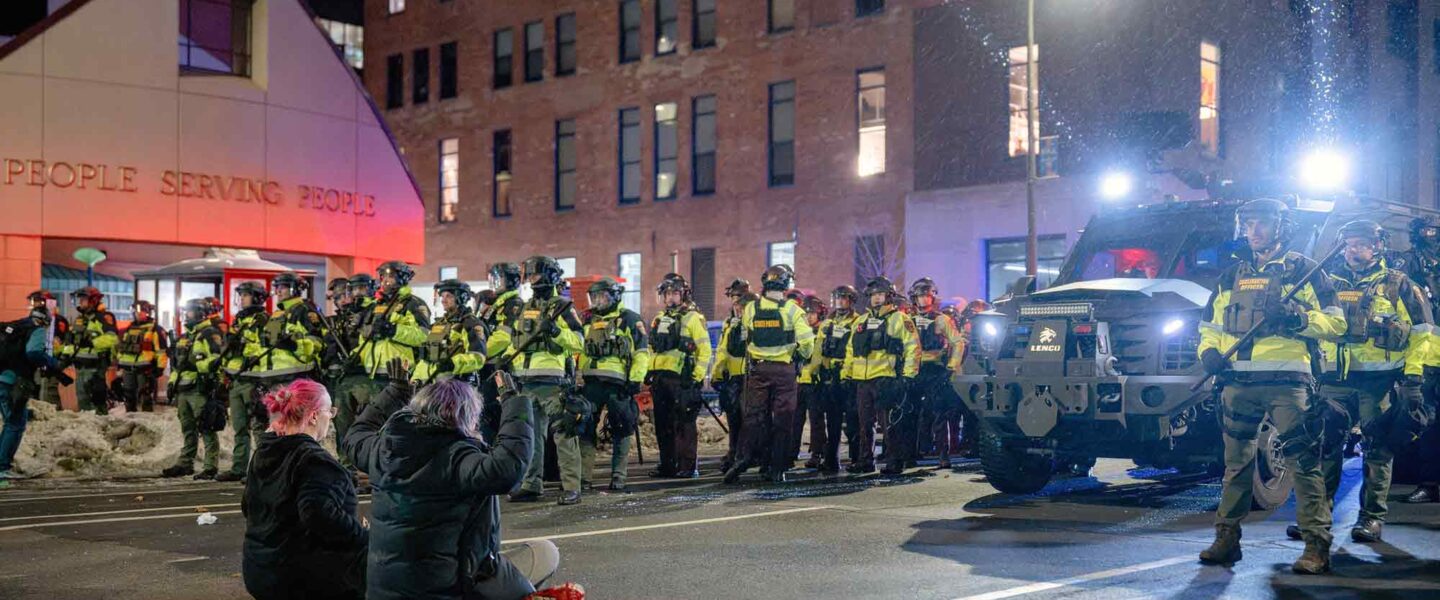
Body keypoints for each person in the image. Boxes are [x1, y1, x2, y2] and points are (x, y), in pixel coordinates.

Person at [1196, 198, 1345, 574]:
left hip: (1288, 383)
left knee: (1303, 463)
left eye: (1262, 223)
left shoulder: (1306, 272)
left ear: (1280, 227)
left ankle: (1316, 546)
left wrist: (1297, 318)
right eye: (1248, 224)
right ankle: (1226, 539)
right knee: (1236, 464)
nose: (1254, 230)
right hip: (1238, 381)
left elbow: (1336, 324)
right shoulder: (1231, 275)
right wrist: (1209, 353)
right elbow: (1209, 327)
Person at [343, 359, 556, 600]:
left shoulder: (384, 450)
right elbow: (508, 467)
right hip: (444, 591)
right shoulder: (457, 457)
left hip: (382, 591)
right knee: (545, 554)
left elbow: (355, 435)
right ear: (466, 416)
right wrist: (513, 402)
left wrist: (395, 392)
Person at [1282, 219, 1436, 544]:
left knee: (1377, 450)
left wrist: (1413, 376)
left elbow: (1424, 335)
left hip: (1378, 383)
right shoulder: (1327, 283)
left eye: (1361, 244)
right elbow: (1313, 324)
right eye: (1349, 243)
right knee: (1324, 446)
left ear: (1377, 246)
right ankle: (1317, 518)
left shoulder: (1399, 284)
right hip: (1333, 380)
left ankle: (1371, 519)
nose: (1354, 249)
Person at [241, 379, 366, 600]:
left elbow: (247, 506)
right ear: (315, 416)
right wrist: (363, 534)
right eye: (330, 411)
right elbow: (319, 515)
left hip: (260, 568)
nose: (331, 417)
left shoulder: (264, 452)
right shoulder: (314, 460)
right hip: (302, 577)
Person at [506, 256, 587, 505]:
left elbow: (579, 342)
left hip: (554, 380)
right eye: (529, 274)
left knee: (563, 434)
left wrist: (555, 331)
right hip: (526, 380)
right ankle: (532, 484)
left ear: (549, 276)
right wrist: (507, 360)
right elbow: (516, 341)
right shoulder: (525, 307)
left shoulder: (561, 306)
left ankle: (572, 486)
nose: (532, 279)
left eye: (536, 274)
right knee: (532, 436)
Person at [724, 264, 815, 484]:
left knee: (755, 418)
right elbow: (807, 343)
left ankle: (745, 458)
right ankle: (776, 468)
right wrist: (798, 358)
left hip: (757, 371)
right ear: (786, 284)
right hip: (784, 372)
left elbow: (745, 339)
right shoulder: (793, 310)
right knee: (783, 421)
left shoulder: (751, 309)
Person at [577, 277, 650, 491]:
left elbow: (641, 352)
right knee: (585, 428)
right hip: (591, 384)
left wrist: (636, 379)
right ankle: (584, 478)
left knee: (622, 428)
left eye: (602, 296)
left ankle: (618, 476)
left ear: (615, 297)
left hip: (618, 384)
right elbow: (580, 351)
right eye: (595, 297)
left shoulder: (629, 319)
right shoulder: (588, 320)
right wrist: (578, 377)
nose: (598, 301)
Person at [843, 276, 918, 475]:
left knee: (889, 424)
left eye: (880, 294)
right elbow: (851, 349)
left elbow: (913, 348)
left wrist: (908, 376)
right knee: (864, 423)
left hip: (886, 378)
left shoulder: (900, 319)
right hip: (863, 380)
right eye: (873, 295)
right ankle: (865, 460)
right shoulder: (861, 321)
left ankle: (894, 460)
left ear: (889, 296)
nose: (876, 298)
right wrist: (846, 373)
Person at [647, 273, 712, 479]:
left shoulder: (694, 318)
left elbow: (705, 351)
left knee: (684, 424)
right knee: (663, 424)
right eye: (666, 294)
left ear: (683, 294)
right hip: (660, 379)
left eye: (674, 293)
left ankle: (688, 466)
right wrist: (648, 371)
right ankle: (667, 464)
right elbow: (651, 348)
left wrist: (696, 377)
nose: (670, 298)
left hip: (682, 380)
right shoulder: (658, 319)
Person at [161, 298, 228, 479]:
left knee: (207, 427)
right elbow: (176, 365)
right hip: (183, 388)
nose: (186, 315)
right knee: (188, 428)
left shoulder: (210, 334)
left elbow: (217, 359)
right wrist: (171, 383)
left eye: (189, 312)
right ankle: (185, 463)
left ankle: (210, 466)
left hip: (200, 387)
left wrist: (200, 365)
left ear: (200, 313)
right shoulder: (185, 337)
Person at [907, 278, 967, 468]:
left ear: (933, 297)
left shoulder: (942, 319)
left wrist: (952, 366)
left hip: (936, 370)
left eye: (926, 296)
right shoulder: (908, 320)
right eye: (919, 297)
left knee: (939, 414)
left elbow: (958, 342)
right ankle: (912, 453)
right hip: (914, 370)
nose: (923, 300)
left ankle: (943, 454)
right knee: (912, 413)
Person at [217, 281, 271, 482]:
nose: (242, 299)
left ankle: (263, 469)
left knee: (259, 426)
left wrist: (246, 349)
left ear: (257, 297)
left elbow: (265, 347)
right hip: (237, 379)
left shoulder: (263, 320)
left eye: (245, 295)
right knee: (239, 427)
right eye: (241, 295)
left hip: (253, 380)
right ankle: (239, 467)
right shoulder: (239, 320)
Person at [0, 305, 56, 479]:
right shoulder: (36, 330)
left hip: (1, 378)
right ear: (45, 321)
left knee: (10, 422)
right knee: (16, 424)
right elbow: (33, 352)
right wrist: (50, 362)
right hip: (14, 382)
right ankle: (2, 468)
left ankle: (2, 464)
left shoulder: (15, 326)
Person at [333, 273, 381, 477]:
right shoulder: (346, 314)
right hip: (347, 374)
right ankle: (346, 465)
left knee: (369, 422)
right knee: (342, 422)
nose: (356, 293)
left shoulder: (376, 309)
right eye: (353, 289)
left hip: (369, 374)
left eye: (361, 288)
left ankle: (369, 466)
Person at [813, 285, 860, 473]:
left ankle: (857, 458)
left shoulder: (858, 322)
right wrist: (814, 370)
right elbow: (818, 349)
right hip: (829, 376)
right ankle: (831, 459)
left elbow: (852, 350)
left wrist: (846, 373)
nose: (839, 302)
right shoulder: (828, 323)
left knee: (852, 421)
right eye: (837, 298)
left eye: (843, 298)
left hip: (847, 377)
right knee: (831, 422)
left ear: (851, 300)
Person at [412, 279, 487, 385]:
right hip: (429, 384)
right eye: (442, 296)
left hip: (455, 386)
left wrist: (452, 364)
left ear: (461, 298)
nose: (443, 300)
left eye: (448, 296)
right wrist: (416, 378)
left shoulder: (470, 323)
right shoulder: (439, 324)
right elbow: (427, 357)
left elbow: (478, 357)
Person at [57, 286, 118, 415]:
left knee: (96, 401)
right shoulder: (80, 319)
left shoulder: (103, 317)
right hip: (80, 367)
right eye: (80, 299)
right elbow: (72, 342)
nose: (80, 302)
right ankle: (87, 428)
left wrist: (92, 342)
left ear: (93, 300)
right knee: (83, 401)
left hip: (95, 367)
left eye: (83, 299)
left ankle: (99, 427)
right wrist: (64, 358)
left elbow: (112, 338)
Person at [711, 279, 752, 472]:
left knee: (747, 419)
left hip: (748, 376)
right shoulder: (729, 322)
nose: (736, 305)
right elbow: (722, 350)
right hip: (732, 378)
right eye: (734, 301)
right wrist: (717, 373)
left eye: (739, 301)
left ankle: (745, 454)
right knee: (733, 417)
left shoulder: (751, 321)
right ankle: (734, 451)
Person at [789, 295, 827, 468]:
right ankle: (791, 452)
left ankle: (817, 453)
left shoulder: (823, 331)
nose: (809, 316)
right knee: (795, 419)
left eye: (813, 313)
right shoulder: (800, 331)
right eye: (807, 313)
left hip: (814, 381)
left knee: (816, 420)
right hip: (798, 381)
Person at [114, 300, 167, 412]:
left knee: (145, 395)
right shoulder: (129, 328)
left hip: (145, 369)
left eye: (141, 311)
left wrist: (160, 367)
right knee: (128, 395)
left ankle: (146, 422)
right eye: (136, 312)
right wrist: (119, 363)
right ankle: (130, 419)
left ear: (148, 312)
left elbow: (161, 351)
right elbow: (122, 347)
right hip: (127, 367)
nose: (138, 314)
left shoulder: (155, 329)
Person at [28, 291, 67, 408]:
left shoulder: (57, 321)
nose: (35, 304)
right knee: (34, 390)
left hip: (50, 362)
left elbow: (60, 344)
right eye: (34, 301)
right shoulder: (31, 320)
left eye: (37, 301)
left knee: (49, 393)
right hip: (34, 362)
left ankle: (55, 419)